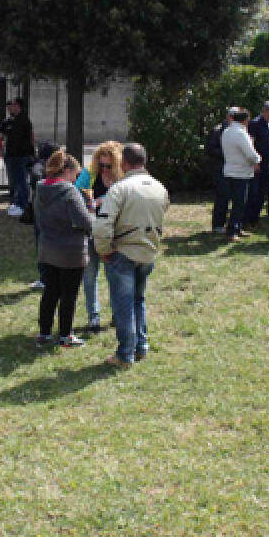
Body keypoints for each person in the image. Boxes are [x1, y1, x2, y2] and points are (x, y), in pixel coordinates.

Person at [93, 143, 169, 368]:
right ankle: (141, 346)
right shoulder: (159, 187)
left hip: (123, 252)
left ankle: (125, 354)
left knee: (123, 304)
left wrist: (104, 250)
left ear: (124, 163)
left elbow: (103, 224)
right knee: (139, 299)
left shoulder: (120, 189)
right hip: (148, 252)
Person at [34, 148, 95, 348]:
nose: (75, 178)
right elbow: (85, 221)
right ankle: (65, 335)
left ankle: (44, 333)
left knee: (50, 292)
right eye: (75, 174)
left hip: (47, 248)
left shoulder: (41, 188)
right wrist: (91, 209)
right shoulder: (69, 191)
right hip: (71, 251)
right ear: (67, 171)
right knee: (69, 294)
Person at [75, 140, 123, 333]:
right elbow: (76, 197)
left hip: (113, 234)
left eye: (108, 165)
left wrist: (108, 200)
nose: (103, 169)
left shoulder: (122, 179)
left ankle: (117, 315)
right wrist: (89, 203)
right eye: (100, 164)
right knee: (89, 277)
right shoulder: (89, 173)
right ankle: (93, 317)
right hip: (91, 231)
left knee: (115, 276)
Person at [220, 108, 261, 241]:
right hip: (241, 173)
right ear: (245, 120)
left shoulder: (226, 131)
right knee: (239, 204)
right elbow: (249, 153)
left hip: (229, 170)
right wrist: (258, 159)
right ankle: (232, 231)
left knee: (236, 202)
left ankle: (236, 227)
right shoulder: (241, 133)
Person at [244, 101, 269, 227]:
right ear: (264, 111)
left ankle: (255, 218)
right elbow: (250, 143)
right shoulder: (255, 123)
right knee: (253, 192)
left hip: (268, 164)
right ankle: (246, 219)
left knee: (263, 192)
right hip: (257, 164)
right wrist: (254, 162)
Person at [1, 97, 36, 216]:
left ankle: (23, 205)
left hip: (21, 156)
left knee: (22, 182)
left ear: (18, 106)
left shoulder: (24, 120)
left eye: (13, 104)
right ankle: (16, 203)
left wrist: (31, 153)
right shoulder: (12, 121)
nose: (11, 107)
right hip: (12, 156)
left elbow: (30, 138)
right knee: (15, 181)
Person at [206, 107, 236, 235]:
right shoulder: (218, 130)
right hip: (221, 168)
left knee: (232, 196)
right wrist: (227, 153)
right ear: (229, 117)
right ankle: (218, 224)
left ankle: (232, 224)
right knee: (222, 197)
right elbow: (210, 149)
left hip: (233, 168)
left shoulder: (236, 130)